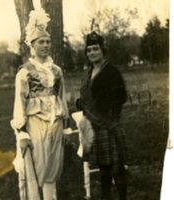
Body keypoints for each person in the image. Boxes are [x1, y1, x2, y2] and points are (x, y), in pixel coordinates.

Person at [10, 9, 69, 200]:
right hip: (36, 123)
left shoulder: (57, 71)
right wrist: (22, 132)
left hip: (56, 123)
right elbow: (20, 103)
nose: (45, 45)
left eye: (47, 41)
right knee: (38, 166)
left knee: (53, 166)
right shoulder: (25, 72)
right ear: (32, 46)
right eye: (41, 42)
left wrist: (66, 127)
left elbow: (61, 98)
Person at [77, 31, 128, 200]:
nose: (92, 53)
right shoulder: (87, 74)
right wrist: (82, 103)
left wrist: (107, 113)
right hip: (93, 127)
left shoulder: (111, 72)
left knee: (116, 168)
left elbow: (121, 97)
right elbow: (86, 95)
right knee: (103, 169)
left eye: (95, 49)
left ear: (102, 50)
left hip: (108, 125)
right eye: (89, 50)